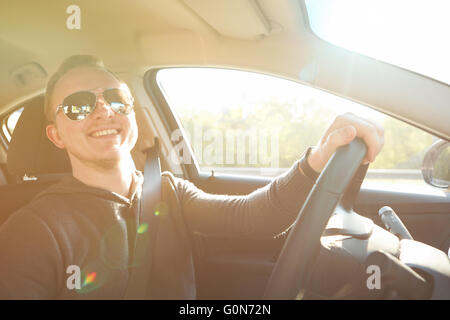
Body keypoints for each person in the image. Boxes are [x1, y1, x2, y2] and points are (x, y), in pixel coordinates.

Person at [0, 55, 384, 299]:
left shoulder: (168, 191)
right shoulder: (31, 229)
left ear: (132, 116)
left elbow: (257, 217)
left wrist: (317, 159)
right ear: (56, 135)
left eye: (116, 99)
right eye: (80, 105)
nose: (103, 111)